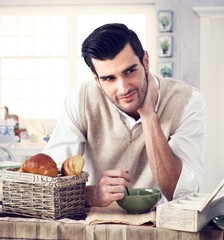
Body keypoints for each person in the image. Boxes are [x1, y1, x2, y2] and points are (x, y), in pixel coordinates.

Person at [42, 23, 205, 207]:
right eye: (109, 78)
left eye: (129, 71)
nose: (124, 88)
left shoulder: (187, 101)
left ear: (145, 61)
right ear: (96, 79)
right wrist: (92, 194)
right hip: (95, 226)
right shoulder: (80, 100)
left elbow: (181, 194)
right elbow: (48, 183)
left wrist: (149, 115)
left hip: (159, 227)